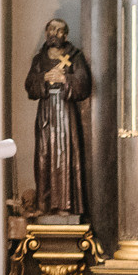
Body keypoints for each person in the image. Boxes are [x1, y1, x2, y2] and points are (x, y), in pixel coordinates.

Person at [22, 17, 92, 220]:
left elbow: (84, 83)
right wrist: (43, 78)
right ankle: (44, 205)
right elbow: (29, 85)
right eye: (51, 29)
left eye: (59, 30)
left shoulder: (74, 56)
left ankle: (65, 205)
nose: (54, 33)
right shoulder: (39, 59)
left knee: (65, 156)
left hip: (66, 111)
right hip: (45, 111)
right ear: (46, 33)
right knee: (43, 157)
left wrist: (64, 79)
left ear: (65, 35)